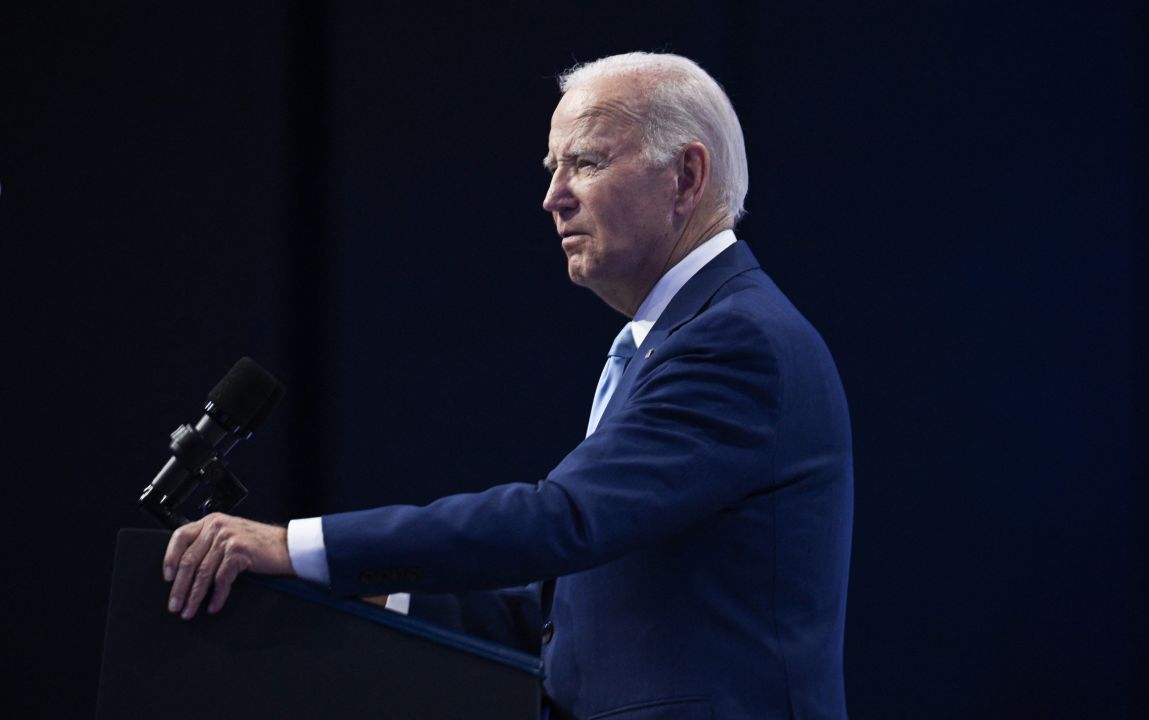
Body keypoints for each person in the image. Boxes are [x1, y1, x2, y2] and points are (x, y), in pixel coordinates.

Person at [163, 52, 854, 719]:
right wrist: (362, 590)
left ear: (685, 176)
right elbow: (561, 623)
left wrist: (298, 545)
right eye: (554, 168)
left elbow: (561, 520)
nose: (552, 197)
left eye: (585, 162)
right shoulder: (675, 341)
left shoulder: (736, 341)